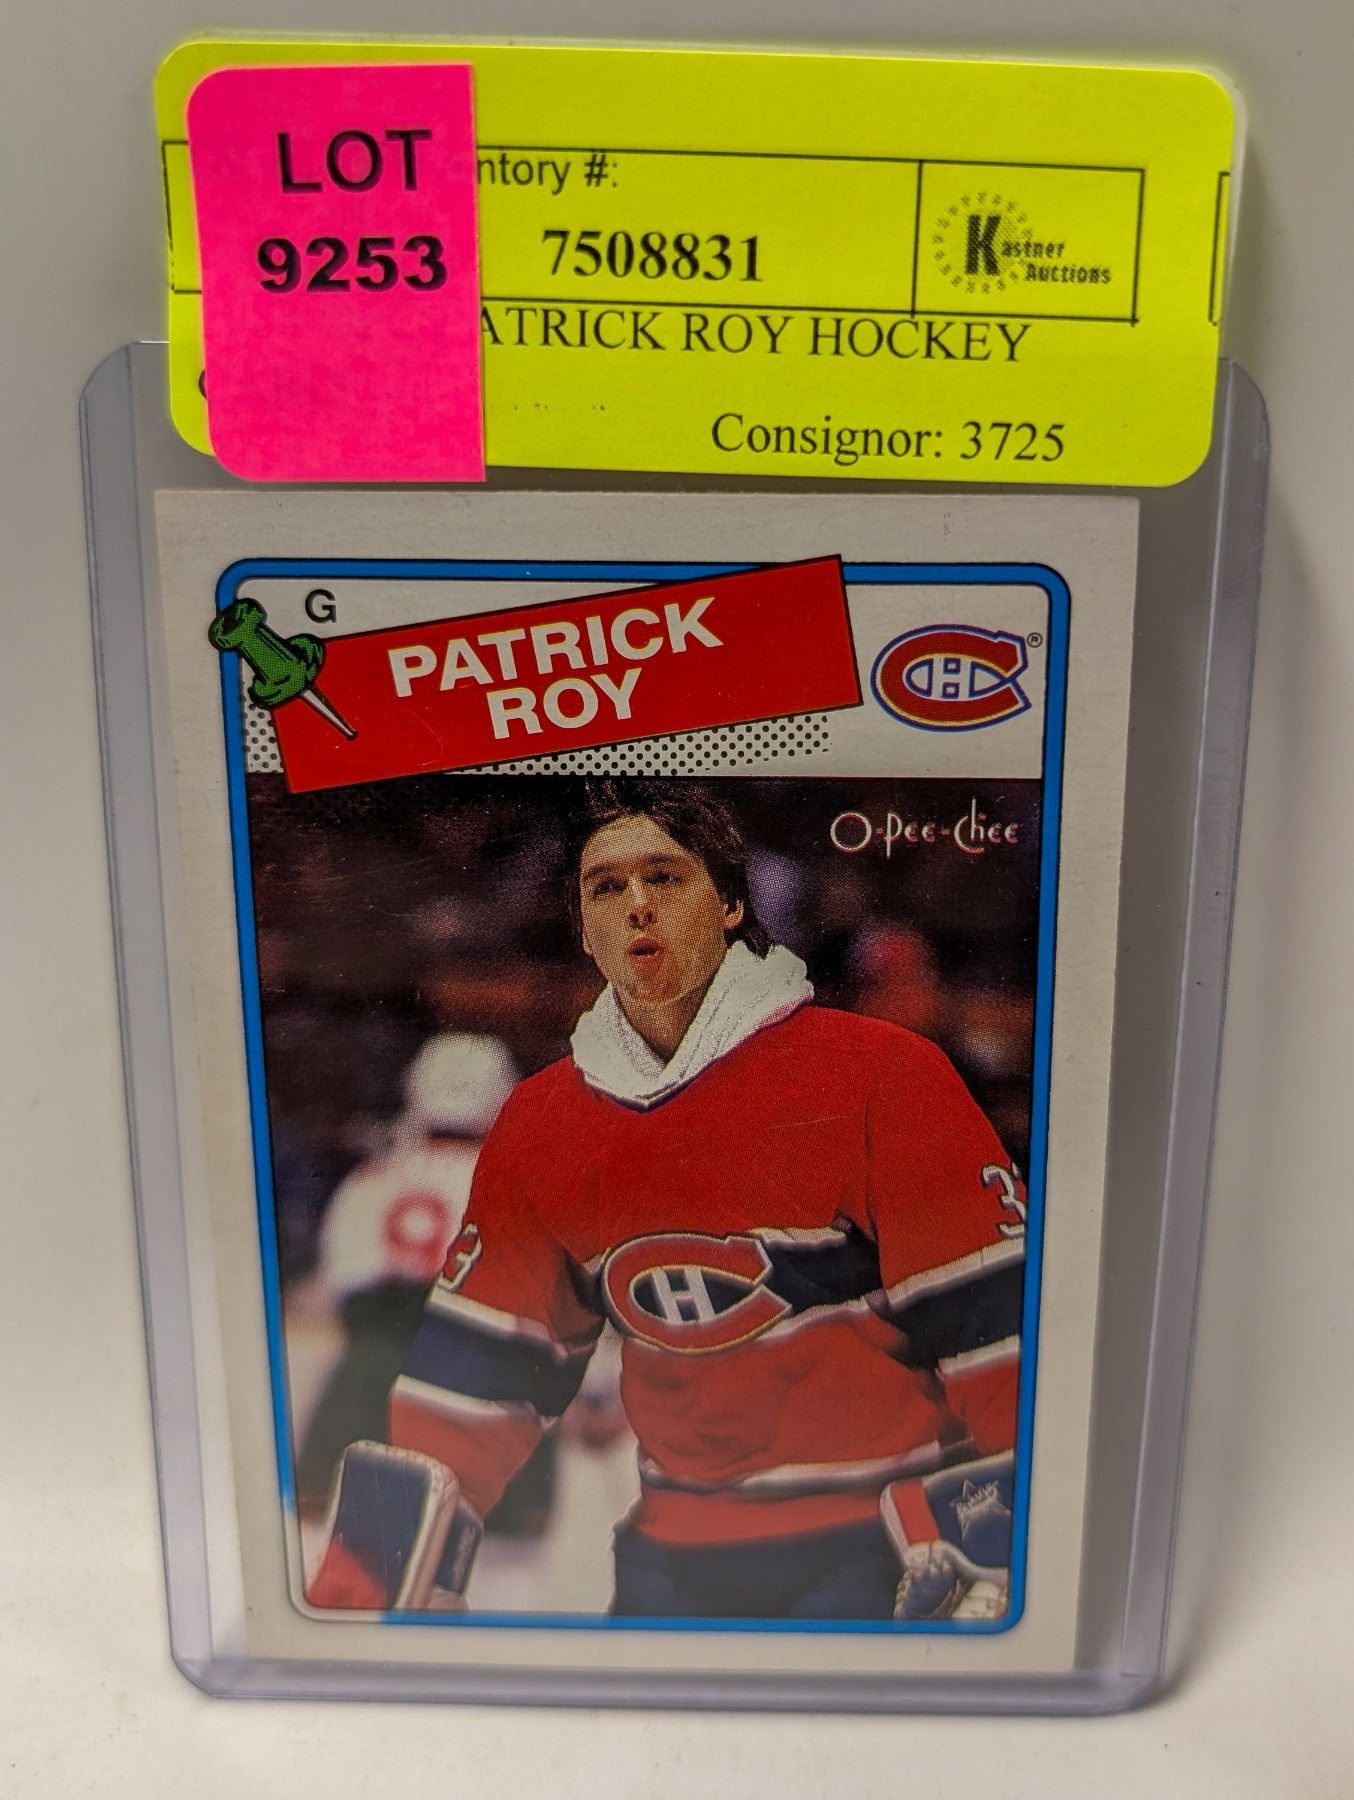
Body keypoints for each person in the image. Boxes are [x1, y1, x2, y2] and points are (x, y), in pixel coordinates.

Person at [310, 780, 1025, 1621]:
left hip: (876, 1555)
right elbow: (475, 1375)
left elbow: (997, 1335)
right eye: (605, 887)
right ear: (583, 930)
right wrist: (373, 1575)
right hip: (672, 1563)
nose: (637, 907)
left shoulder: (883, 1077)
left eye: (665, 878)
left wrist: (1009, 1541)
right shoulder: (544, 1122)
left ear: (730, 905)